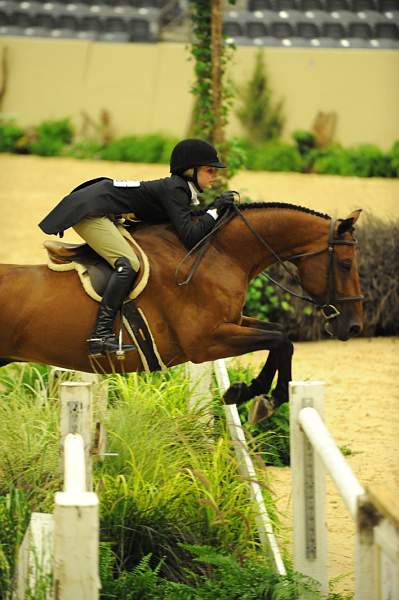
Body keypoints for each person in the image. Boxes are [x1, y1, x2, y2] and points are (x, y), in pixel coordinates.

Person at [39, 138, 235, 357]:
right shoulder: (176, 189)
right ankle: (100, 335)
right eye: (210, 170)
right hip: (91, 211)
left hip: (103, 207)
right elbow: (190, 236)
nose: (215, 176)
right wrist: (215, 210)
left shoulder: (179, 189)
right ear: (190, 170)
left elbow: (186, 222)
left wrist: (213, 210)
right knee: (128, 264)